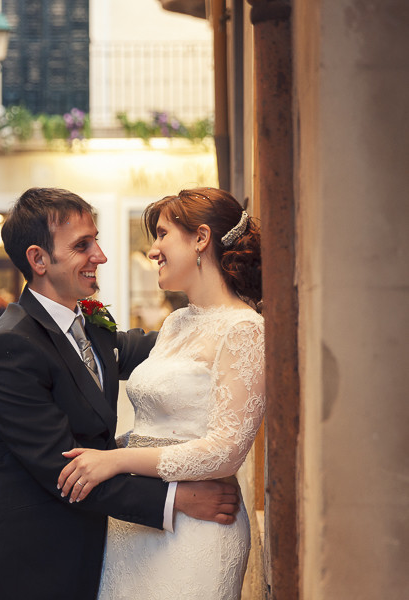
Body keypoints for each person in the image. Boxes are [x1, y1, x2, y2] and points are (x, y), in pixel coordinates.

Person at [0, 188, 241, 600]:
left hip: (86, 552)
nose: (101, 256)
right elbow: (67, 471)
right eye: (82, 246)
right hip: (25, 564)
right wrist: (177, 498)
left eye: (96, 240)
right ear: (38, 259)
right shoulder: (13, 347)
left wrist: (230, 323)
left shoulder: (88, 323)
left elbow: (163, 351)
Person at [56, 187, 265, 599]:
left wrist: (116, 461)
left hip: (197, 530)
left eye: (163, 234)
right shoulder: (175, 323)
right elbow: (157, 427)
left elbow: (225, 451)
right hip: (135, 527)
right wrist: (102, 450)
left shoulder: (245, 330)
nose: (153, 251)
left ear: (201, 239)